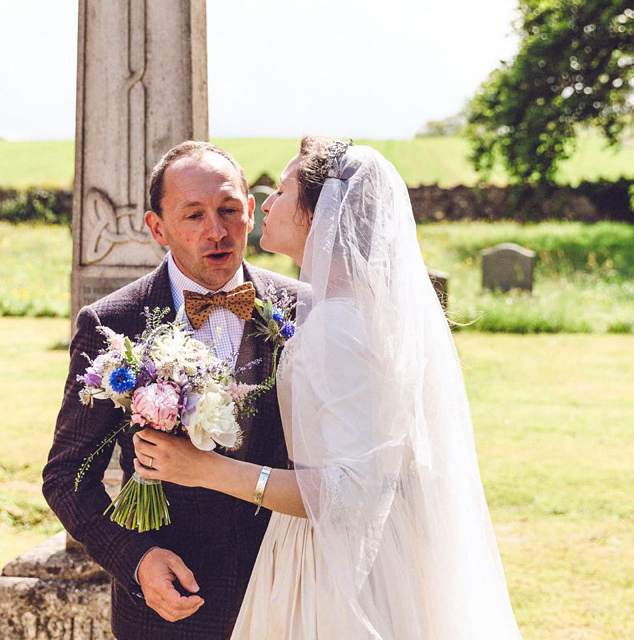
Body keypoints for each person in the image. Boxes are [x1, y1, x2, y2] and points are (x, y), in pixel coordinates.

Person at [132, 136, 523, 638]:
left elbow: (349, 493)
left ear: (319, 213)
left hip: (329, 563)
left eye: (284, 191)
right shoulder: (343, 312)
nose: (265, 202)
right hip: (331, 545)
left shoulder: (337, 325)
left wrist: (204, 467)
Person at [43, 141, 300, 639]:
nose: (216, 230)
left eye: (228, 210)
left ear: (251, 212)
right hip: (171, 611)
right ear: (157, 228)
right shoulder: (113, 322)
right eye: (194, 215)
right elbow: (65, 476)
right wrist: (136, 561)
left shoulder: (301, 309)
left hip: (288, 591)